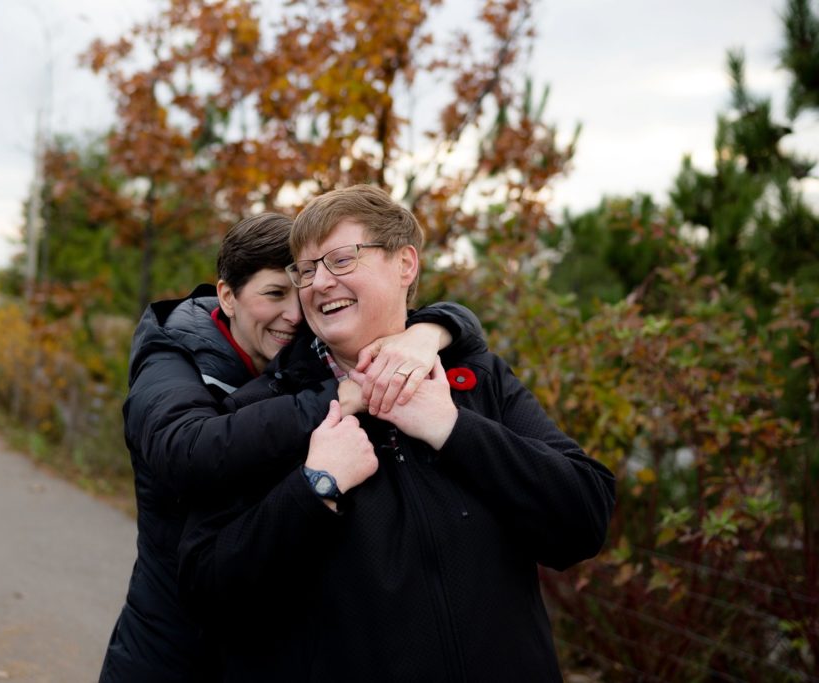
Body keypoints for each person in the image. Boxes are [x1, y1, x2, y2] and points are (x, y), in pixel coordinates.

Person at [178, 186, 617, 682]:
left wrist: (453, 429)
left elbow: (583, 521)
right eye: (306, 270)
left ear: (404, 264)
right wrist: (314, 488)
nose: (319, 283)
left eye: (341, 260)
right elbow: (205, 590)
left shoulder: (475, 381)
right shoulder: (265, 413)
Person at [98, 212, 484, 682]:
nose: (295, 315)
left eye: (298, 291)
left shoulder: (301, 360)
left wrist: (431, 333)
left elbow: (425, 318)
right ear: (227, 297)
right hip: (176, 649)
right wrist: (338, 397)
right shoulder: (171, 359)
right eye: (273, 294)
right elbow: (187, 450)